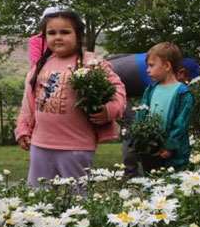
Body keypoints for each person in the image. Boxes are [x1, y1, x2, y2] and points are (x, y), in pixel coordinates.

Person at [15, 10, 126, 187]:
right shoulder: (40, 66)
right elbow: (28, 102)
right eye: (51, 33)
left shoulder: (92, 63)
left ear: (78, 35)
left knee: (77, 200)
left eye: (65, 32)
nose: (57, 37)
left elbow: (117, 89)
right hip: (40, 144)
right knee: (37, 197)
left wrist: (108, 110)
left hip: (77, 147)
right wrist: (23, 129)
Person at [109, 53, 200, 177]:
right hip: (111, 82)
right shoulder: (153, 81)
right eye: (188, 80)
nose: (187, 83)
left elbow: (180, 121)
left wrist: (169, 145)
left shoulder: (158, 64)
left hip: (118, 73)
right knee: (132, 129)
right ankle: (131, 173)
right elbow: (144, 110)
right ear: (181, 72)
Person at [131, 43, 195, 173]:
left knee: (173, 185)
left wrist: (169, 146)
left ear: (166, 66)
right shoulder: (150, 90)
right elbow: (142, 113)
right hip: (151, 151)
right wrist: (140, 139)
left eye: (151, 65)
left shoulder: (183, 93)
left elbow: (180, 124)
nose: (147, 70)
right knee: (151, 183)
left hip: (173, 155)